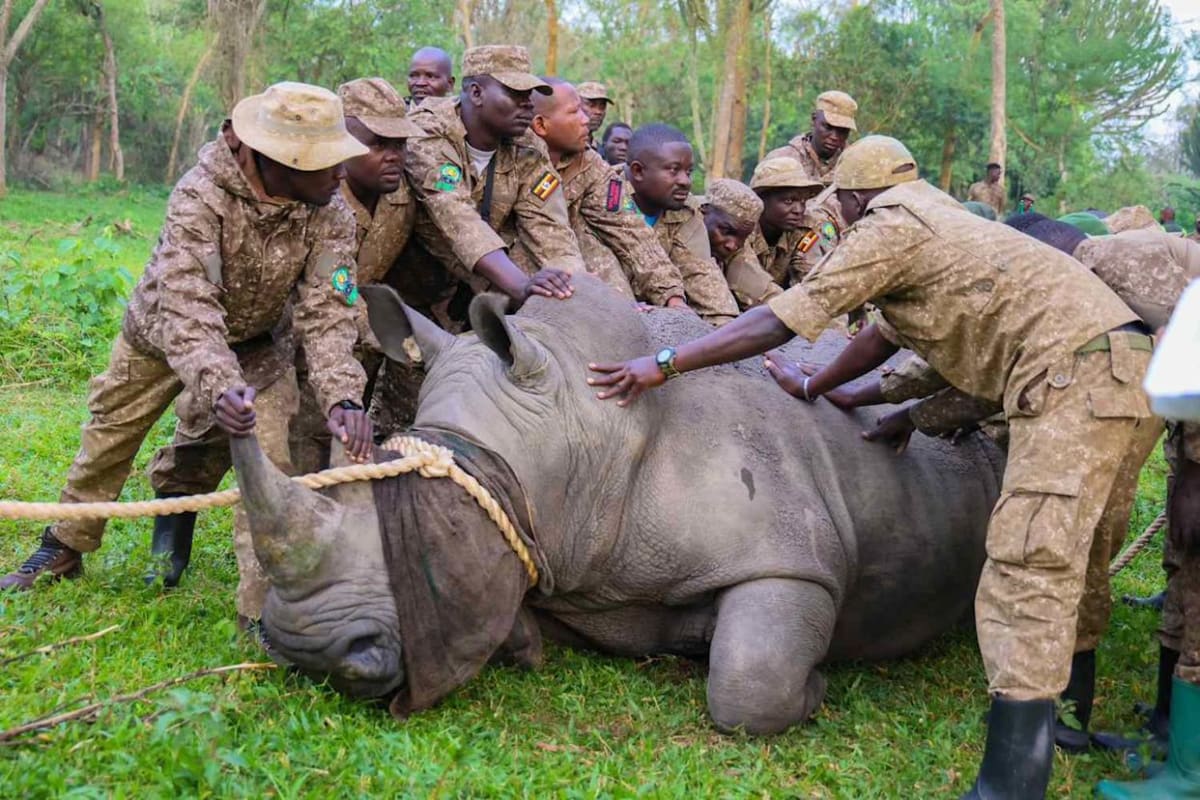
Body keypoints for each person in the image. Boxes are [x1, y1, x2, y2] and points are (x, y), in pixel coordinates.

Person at [588, 135, 1157, 800]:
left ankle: (1010, 783)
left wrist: (664, 363)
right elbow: (908, 348)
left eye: (840, 207)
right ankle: (1067, 725)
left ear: (855, 198)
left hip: (1070, 383)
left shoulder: (891, 225)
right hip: (1127, 372)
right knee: (1078, 553)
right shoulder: (950, 225)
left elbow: (783, 320)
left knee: (1027, 566)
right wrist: (852, 397)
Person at [0, 83, 374, 629]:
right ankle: (65, 543)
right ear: (279, 160)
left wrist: (343, 395)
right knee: (110, 434)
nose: (342, 174)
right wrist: (220, 384)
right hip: (161, 335)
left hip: (258, 346)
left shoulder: (329, 211)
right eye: (327, 163)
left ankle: (266, 612)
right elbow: (186, 301)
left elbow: (329, 308)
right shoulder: (201, 195)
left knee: (270, 461)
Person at [403, 44, 578, 310]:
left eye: (529, 94)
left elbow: (549, 227)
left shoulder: (527, 144)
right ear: (476, 93)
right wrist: (521, 285)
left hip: (488, 267)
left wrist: (577, 291)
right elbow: (457, 218)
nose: (528, 104)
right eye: (515, 93)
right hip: (420, 274)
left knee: (553, 284)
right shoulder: (427, 131)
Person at [516, 77, 686, 307]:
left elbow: (628, 228)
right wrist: (588, 290)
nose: (586, 120)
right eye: (575, 112)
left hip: (567, 261)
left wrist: (671, 296)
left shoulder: (588, 162)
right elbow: (545, 234)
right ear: (541, 125)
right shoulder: (515, 156)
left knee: (591, 241)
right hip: (515, 270)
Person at [625, 123, 739, 325]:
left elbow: (702, 275)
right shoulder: (604, 197)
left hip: (657, 317)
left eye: (688, 171)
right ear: (638, 171)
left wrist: (737, 335)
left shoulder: (686, 210)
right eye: (674, 170)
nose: (686, 181)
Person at [748, 156, 829, 288]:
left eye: (803, 201)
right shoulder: (742, 229)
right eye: (788, 201)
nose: (799, 210)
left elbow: (810, 280)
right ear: (761, 200)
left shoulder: (806, 227)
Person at [700, 178, 780, 311]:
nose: (732, 245)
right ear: (703, 211)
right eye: (725, 231)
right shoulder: (680, 229)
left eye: (743, 238)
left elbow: (765, 294)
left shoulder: (737, 248)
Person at [766, 90, 858, 184]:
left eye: (842, 130)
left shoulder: (855, 165)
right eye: (828, 127)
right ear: (814, 120)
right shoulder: (781, 159)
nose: (834, 137)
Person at [576, 81, 612, 151]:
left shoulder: (600, 151)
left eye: (602, 106)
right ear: (576, 105)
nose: (598, 112)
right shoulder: (561, 144)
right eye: (591, 105)